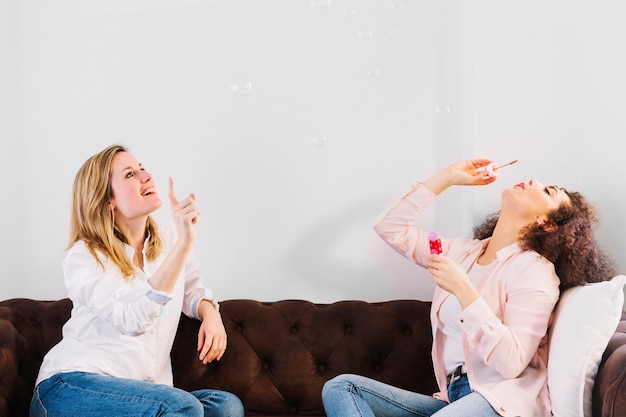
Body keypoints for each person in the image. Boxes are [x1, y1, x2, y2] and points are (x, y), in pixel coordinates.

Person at [322, 159, 615, 417]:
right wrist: (449, 177)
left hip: (500, 402)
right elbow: (390, 229)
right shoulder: (461, 253)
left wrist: (464, 290)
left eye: (548, 191)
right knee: (342, 388)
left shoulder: (535, 272)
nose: (536, 182)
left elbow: (511, 362)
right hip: (453, 398)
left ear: (546, 223)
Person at [30, 145, 244, 417]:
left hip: (142, 395)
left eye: (143, 168)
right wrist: (184, 244)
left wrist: (210, 312)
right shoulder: (84, 257)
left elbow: (192, 290)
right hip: (68, 388)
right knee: (181, 407)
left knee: (226, 407)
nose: (146, 176)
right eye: (130, 174)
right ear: (107, 199)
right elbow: (132, 319)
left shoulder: (169, 238)